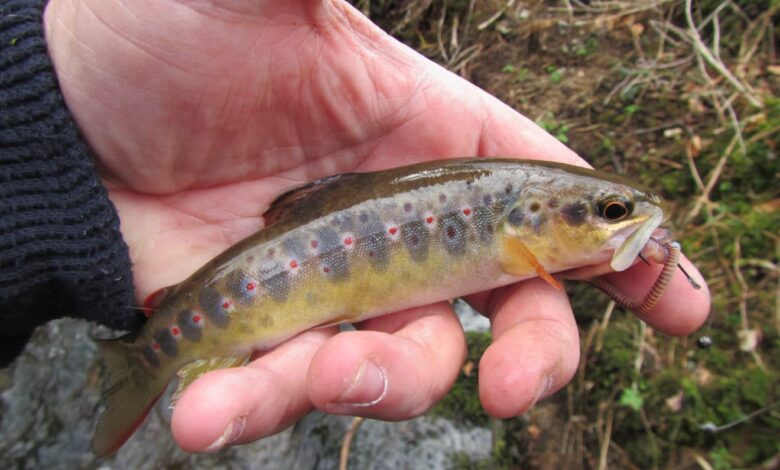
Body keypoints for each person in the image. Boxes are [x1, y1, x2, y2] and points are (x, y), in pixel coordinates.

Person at [1, 0, 710, 453]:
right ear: (533, 223)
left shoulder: (520, 226)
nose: (627, 223)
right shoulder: (513, 227)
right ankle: (140, 361)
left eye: (617, 214)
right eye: (613, 214)